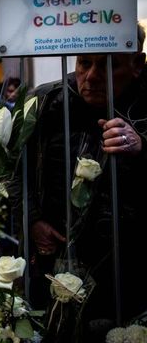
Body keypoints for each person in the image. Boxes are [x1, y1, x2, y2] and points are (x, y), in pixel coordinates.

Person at [23, 25, 147, 341]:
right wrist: (33, 219)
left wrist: (142, 147)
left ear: (138, 64)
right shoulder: (47, 101)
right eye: (83, 62)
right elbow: (13, 173)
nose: (91, 76)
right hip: (55, 261)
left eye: (107, 65)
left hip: (130, 271)